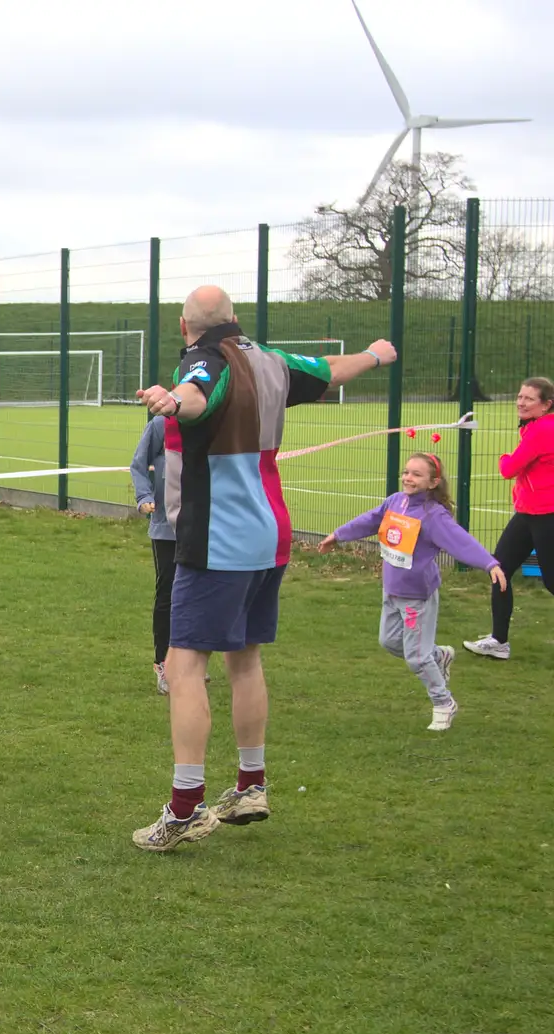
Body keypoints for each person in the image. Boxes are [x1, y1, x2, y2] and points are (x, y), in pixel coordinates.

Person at [131, 285, 396, 852]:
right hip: (269, 536)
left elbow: (197, 392)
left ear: (185, 327)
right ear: (235, 319)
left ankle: (185, 808)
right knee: (245, 660)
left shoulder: (202, 359)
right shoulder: (273, 360)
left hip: (215, 541)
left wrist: (174, 402)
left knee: (183, 669)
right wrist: (377, 354)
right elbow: (330, 368)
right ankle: (250, 784)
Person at [319, 454, 506, 730]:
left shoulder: (434, 515)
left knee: (416, 657)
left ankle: (444, 703)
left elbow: (459, 541)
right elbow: (370, 520)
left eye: (417, 474)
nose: (408, 478)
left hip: (417, 597)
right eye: (406, 472)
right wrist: (339, 534)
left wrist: (489, 562)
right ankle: (439, 656)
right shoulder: (396, 501)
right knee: (390, 642)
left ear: (433, 482)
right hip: (392, 591)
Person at [462, 376, 554, 660]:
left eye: (529, 399)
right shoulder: (534, 427)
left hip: (546, 514)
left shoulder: (542, 429)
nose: (521, 402)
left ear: (546, 405)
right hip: (527, 512)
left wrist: (504, 457)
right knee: (499, 567)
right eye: (519, 396)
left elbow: (509, 468)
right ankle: (499, 642)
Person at [130, 413, 176, 694]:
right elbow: (138, 466)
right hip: (166, 529)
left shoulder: (209, 419)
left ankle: (190, 660)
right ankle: (163, 664)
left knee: (197, 594)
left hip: (201, 527)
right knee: (168, 595)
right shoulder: (161, 425)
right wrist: (144, 497)